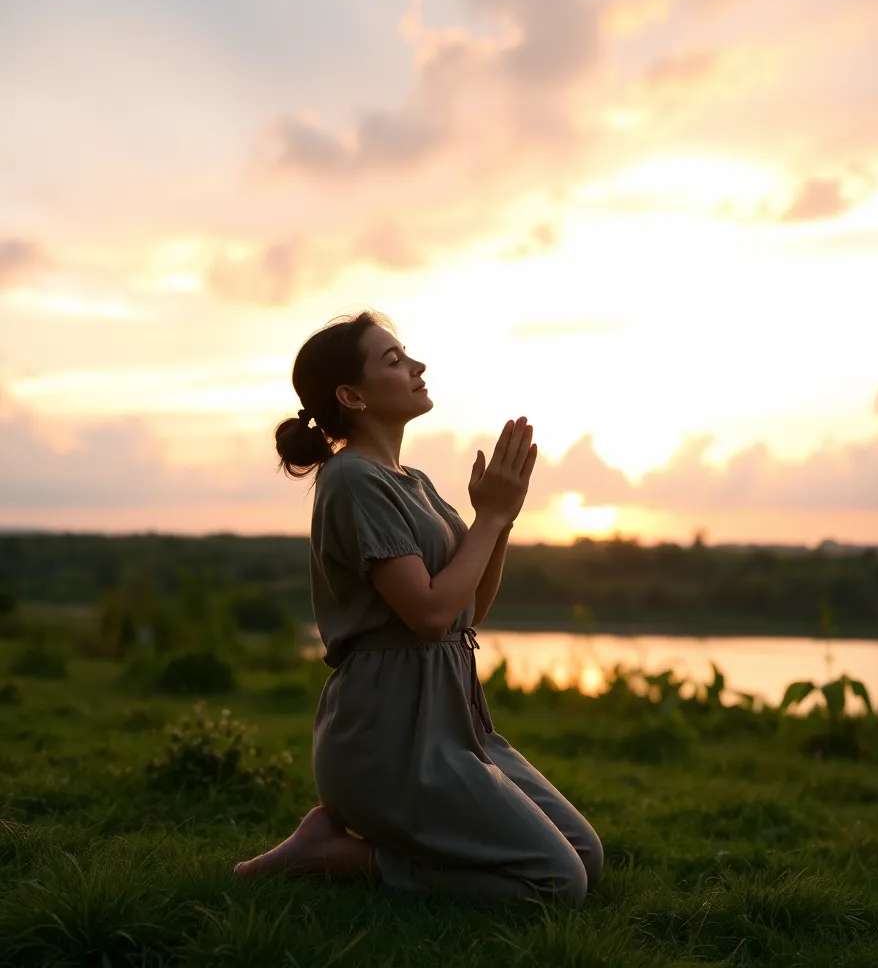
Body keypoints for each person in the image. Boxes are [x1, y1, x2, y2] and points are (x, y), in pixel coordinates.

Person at [233, 310, 603, 905]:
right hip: (389, 741)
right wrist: (487, 518)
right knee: (557, 883)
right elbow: (428, 616)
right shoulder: (352, 478)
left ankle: (356, 848)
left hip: (451, 726)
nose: (416, 366)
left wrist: (499, 522)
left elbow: (466, 609)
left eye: (406, 355)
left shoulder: (415, 481)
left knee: (584, 856)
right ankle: (337, 856)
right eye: (394, 360)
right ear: (351, 395)